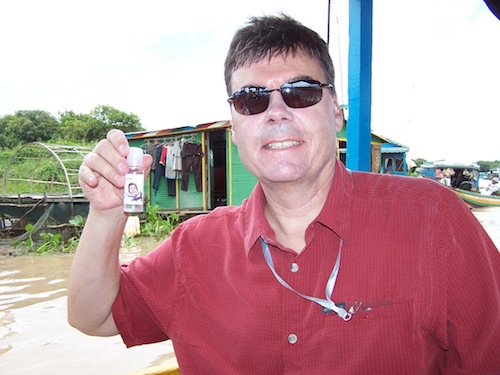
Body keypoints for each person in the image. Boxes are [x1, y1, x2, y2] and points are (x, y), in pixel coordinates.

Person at [68, 14, 500, 374]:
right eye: (252, 100)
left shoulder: (432, 219)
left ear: (335, 111)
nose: (277, 113)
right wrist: (106, 214)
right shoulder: (194, 247)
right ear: (234, 127)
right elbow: (93, 316)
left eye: (301, 92)